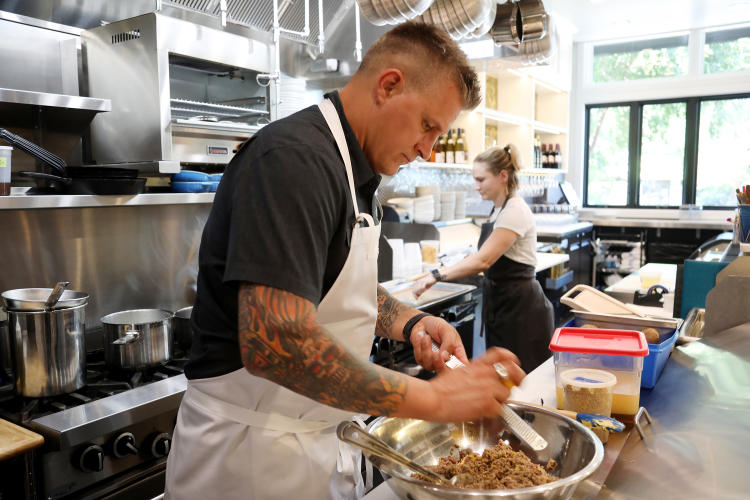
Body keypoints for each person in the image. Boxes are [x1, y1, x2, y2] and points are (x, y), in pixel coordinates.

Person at [165, 23, 525, 500]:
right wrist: (435, 398)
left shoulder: (355, 172)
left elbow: (336, 289)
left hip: (314, 448)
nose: (427, 148)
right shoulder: (294, 160)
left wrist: (410, 322)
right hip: (249, 461)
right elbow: (277, 342)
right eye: (427, 125)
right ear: (389, 85)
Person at [414, 145, 554, 372]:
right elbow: (480, 256)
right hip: (504, 306)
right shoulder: (498, 209)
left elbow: (483, 261)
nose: (476, 186)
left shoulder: (514, 210)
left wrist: (436, 275)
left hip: (522, 313)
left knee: (520, 384)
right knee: (502, 378)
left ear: (502, 176)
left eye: (481, 179)